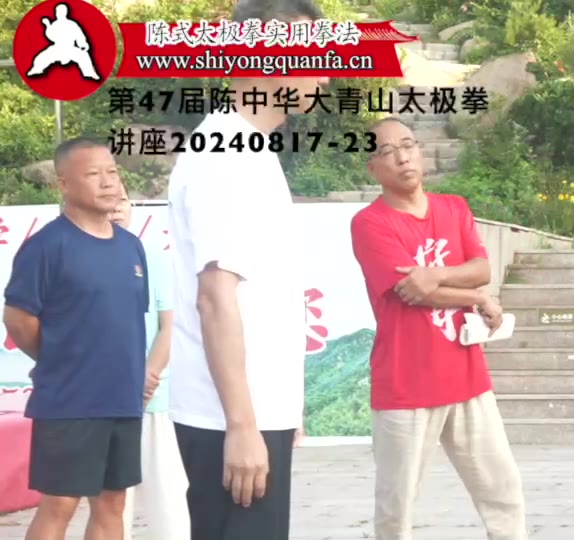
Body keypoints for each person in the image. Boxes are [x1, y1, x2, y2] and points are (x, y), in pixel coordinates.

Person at [164, 0, 330, 538]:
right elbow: (215, 297)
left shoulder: (250, 150)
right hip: (228, 419)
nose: (325, 73)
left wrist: (280, 408)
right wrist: (241, 424)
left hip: (251, 411)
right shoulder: (226, 153)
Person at [350, 116, 528, 540]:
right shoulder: (370, 223)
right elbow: (413, 293)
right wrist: (476, 298)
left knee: (503, 494)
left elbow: (481, 268)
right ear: (372, 168)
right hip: (405, 385)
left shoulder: (454, 208)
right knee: (396, 509)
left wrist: (436, 274)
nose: (402, 157)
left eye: (408, 145)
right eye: (388, 151)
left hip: (468, 378)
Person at [2, 137, 148, 540]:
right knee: (60, 505)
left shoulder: (131, 247)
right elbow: (18, 318)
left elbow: (126, 321)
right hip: (70, 400)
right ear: (63, 184)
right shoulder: (47, 246)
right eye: (93, 174)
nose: (108, 182)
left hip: (122, 399)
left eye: (112, 172)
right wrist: (58, 357)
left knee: (113, 503)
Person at [109, 185, 190, 540]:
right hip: (104, 401)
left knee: (169, 499)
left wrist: (147, 377)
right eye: (108, 200)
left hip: (153, 399)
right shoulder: (77, 260)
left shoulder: (152, 258)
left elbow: (169, 326)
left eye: (122, 200)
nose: (116, 208)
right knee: (112, 503)